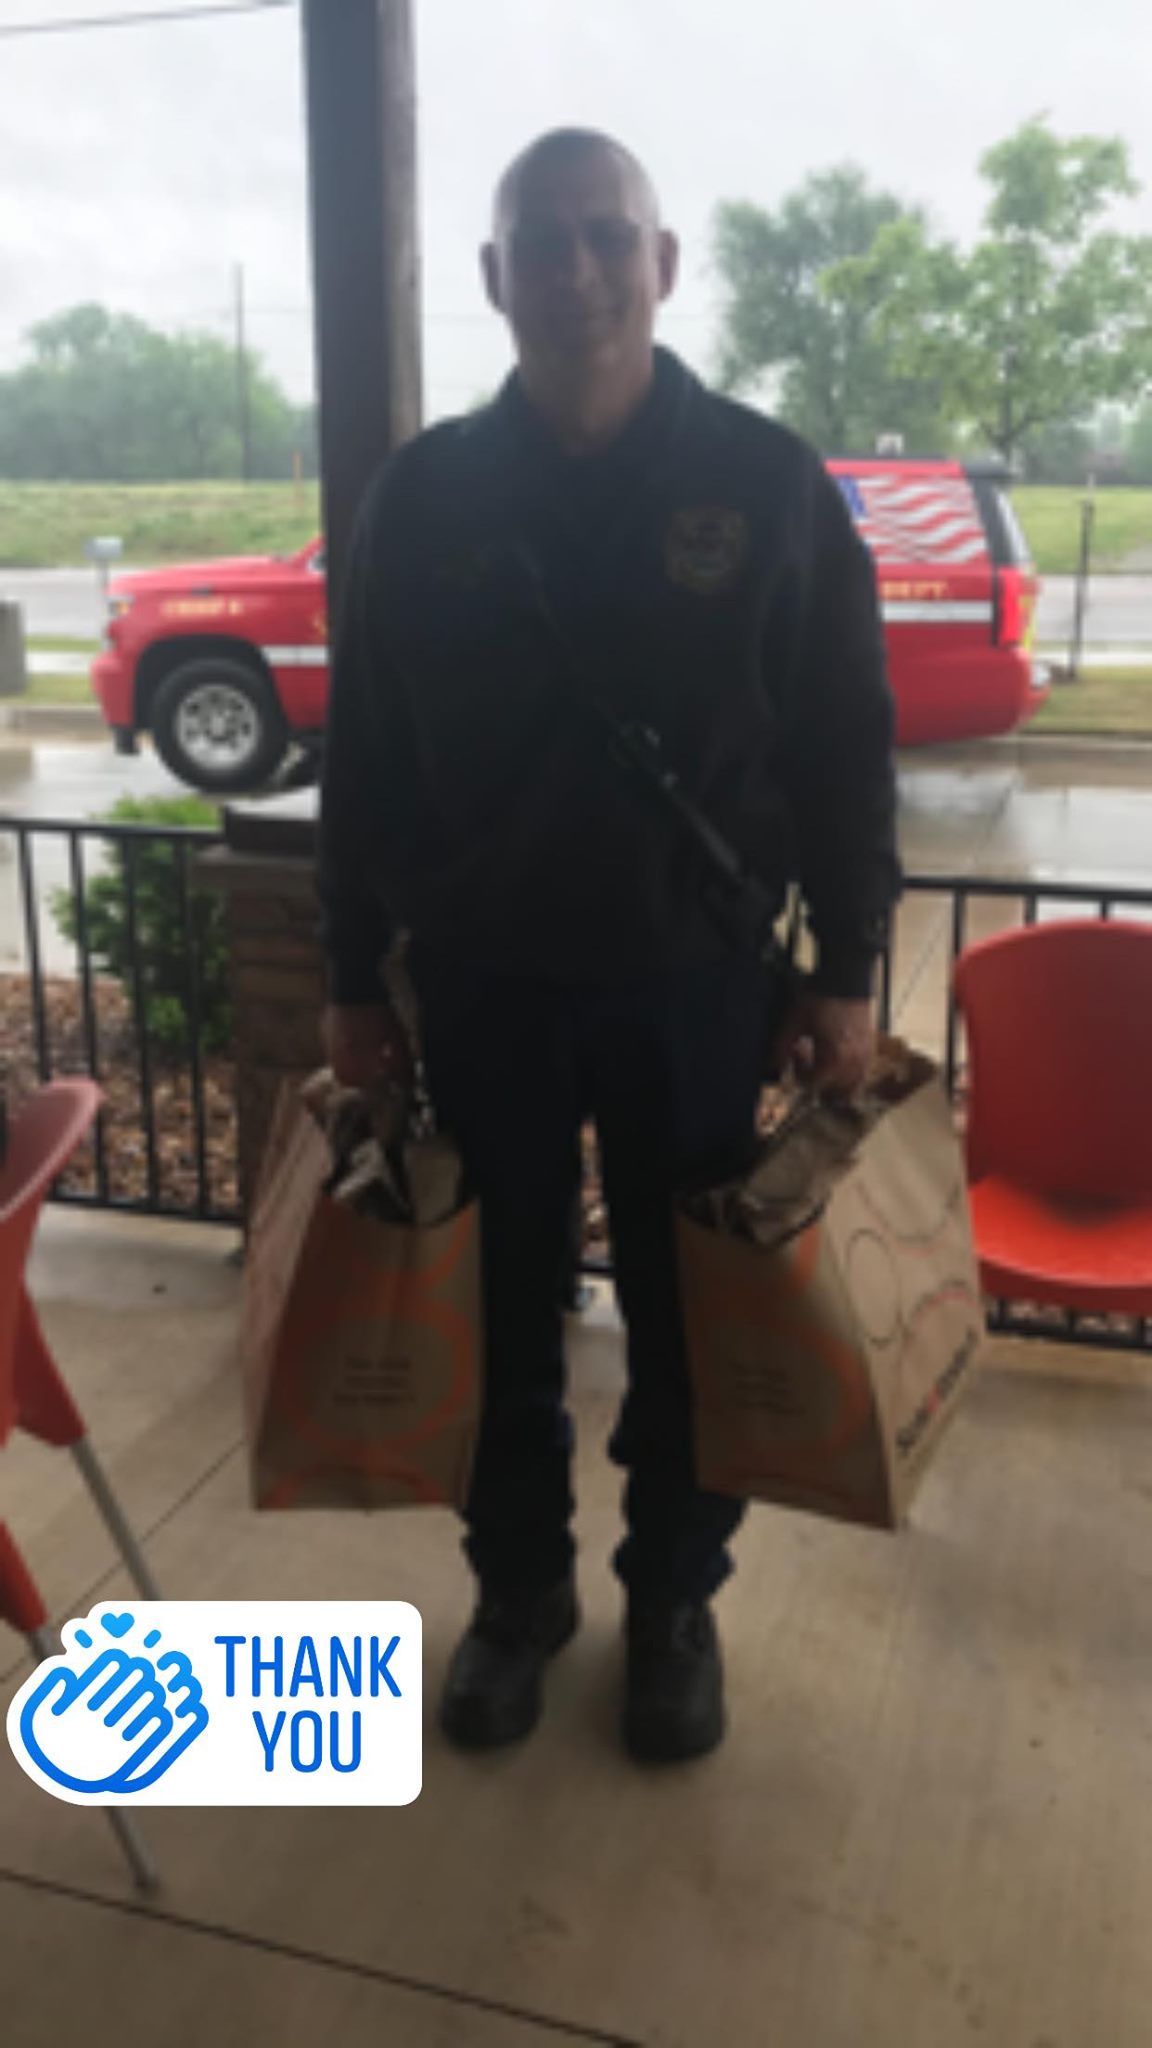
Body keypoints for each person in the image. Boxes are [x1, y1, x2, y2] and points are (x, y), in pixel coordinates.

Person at [317, 128, 900, 1764]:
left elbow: (845, 747)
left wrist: (847, 967)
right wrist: (353, 977)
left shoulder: (768, 487)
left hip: (693, 986)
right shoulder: (422, 499)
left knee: (689, 1321)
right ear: (493, 277)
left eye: (605, 235)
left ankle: (672, 1604)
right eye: (542, 243)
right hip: (487, 987)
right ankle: (519, 1598)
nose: (575, 271)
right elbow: (365, 759)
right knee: (496, 1318)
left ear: (662, 262)